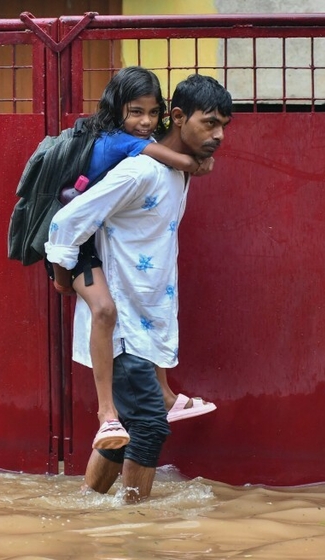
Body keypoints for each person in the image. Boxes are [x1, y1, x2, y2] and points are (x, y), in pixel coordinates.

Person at [45, 74, 233, 502]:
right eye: (209, 124)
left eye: (223, 125)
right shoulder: (140, 170)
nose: (218, 135)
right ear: (180, 117)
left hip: (146, 327)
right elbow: (66, 223)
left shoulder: (175, 172)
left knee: (129, 431)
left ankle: (89, 510)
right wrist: (63, 279)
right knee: (149, 425)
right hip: (123, 327)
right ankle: (136, 529)